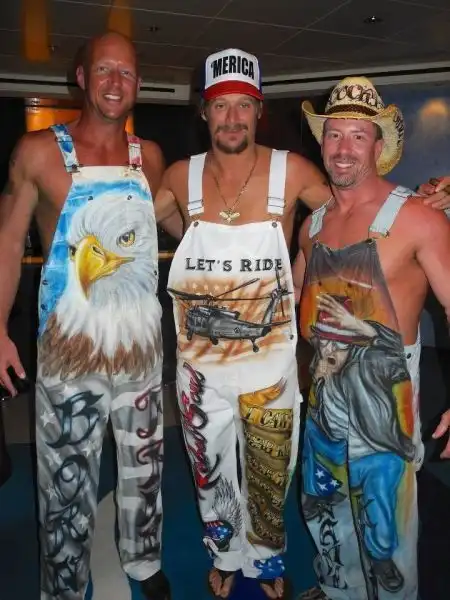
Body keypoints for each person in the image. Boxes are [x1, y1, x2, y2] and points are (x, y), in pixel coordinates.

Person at [154, 48, 334, 599]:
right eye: (220, 105)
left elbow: (343, 220)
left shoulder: (292, 171)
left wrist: (302, 269)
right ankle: (225, 554)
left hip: (271, 367)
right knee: (208, 470)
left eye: (243, 105)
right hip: (198, 369)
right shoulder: (180, 176)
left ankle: (266, 559)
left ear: (258, 111)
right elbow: (133, 222)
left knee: (269, 472)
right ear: (203, 112)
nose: (231, 118)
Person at [0, 32, 170, 600]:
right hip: (69, 349)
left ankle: (144, 559)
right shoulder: (37, 153)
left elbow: (181, 223)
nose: (115, 82)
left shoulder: (150, 158)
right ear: (81, 76)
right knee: (64, 480)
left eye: (126, 72)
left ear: (138, 83)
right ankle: (65, 586)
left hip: (141, 345)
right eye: (104, 70)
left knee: (145, 465)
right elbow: (6, 242)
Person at [293, 76, 450, 600]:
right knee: (324, 510)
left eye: (358, 136)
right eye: (334, 134)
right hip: (324, 395)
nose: (343, 148)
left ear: (379, 147)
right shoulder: (312, 227)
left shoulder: (418, 220)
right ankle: (337, 590)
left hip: (386, 405)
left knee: (387, 530)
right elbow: (295, 306)